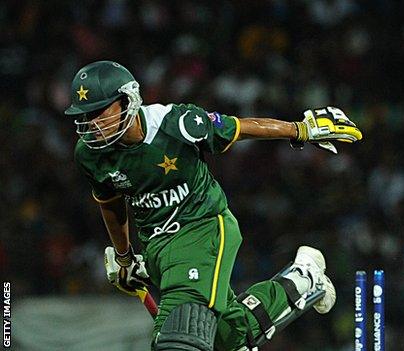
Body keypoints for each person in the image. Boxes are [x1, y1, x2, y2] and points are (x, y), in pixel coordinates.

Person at [65, 60, 362, 350]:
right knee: (229, 336)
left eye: (99, 112)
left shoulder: (175, 123)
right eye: (85, 116)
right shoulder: (89, 154)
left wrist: (300, 129)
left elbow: (238, 128)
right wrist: (125, 258)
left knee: (179, 336)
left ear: (128, 100)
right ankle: (302, 280)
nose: (92, 125)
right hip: (157, 247)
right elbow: (110, 203)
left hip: (203, 228)